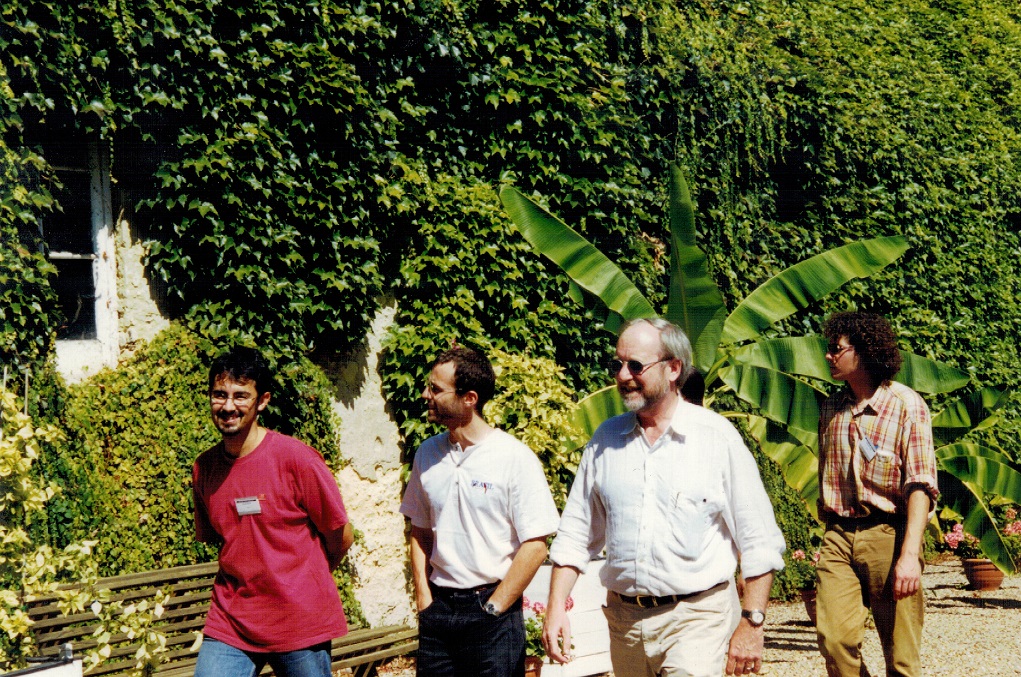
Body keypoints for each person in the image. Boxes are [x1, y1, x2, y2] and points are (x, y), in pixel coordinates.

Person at [543, 318, 786, 677]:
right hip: (624, 622)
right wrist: (555, 608)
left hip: (697, 619)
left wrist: (752, 622)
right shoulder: (605, 440)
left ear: (673, 369)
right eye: (617, 364)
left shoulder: (716, 438)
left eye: (635, 365)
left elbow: (758, 541)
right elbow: (576, 535)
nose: (623, 375)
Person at [192, 347, 354, 677]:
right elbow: (223, 540)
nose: (228, 406)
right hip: (232, 622)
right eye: (220, 395)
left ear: (262, 401)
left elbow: (341, 536)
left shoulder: (296, 460)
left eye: (241, 396)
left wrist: (300, 584)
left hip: (299, 621)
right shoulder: (204, 468)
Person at [400, 346, 560, 677]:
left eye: (436, 389)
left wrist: (494, 607)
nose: (426, 395)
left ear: (469, 398)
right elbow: (420, 532)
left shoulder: (514, 458)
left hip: (492, 615)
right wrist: (424, 600)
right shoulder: (427, 454)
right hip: (439, 612)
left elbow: (535, 545)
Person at [815, 312, 937, 677]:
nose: (828, 356)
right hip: (838, 536)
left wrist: (909, 556)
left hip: (889, 535)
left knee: (901, 657)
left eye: (836, 349)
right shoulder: (832, 408)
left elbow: (920, 484)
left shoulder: (905, 405)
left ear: (864, 351)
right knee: (834, 642)